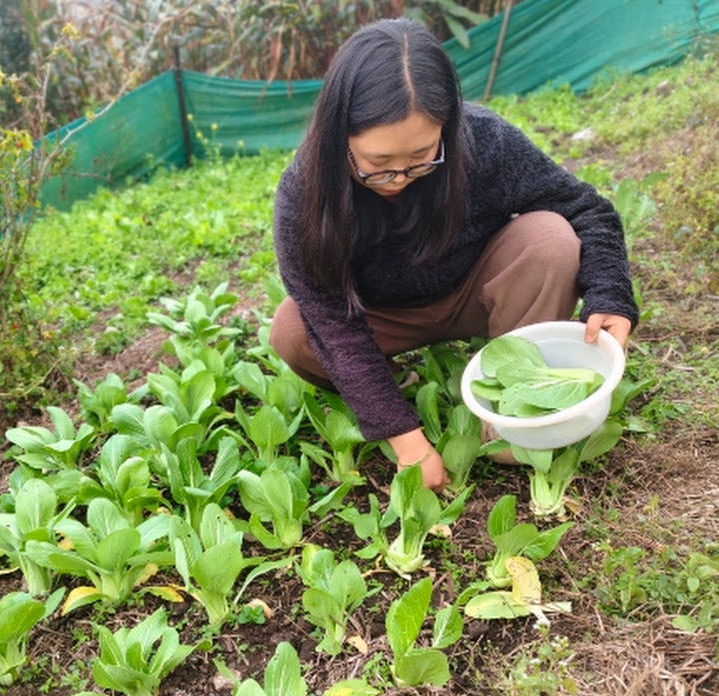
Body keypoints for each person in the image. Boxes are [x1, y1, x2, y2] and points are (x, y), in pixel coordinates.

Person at [269, 17, 638, 493]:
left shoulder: (484, 139)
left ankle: (512, 414)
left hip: (477, 293)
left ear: (447, 123)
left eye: (421, 157)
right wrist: (405, 438)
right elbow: (334, 323)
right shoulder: (305, 192)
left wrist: (611, 294)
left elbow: (585, 206)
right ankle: (394, 387)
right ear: (340, 134)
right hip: (383, 317)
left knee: (551, 238)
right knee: (294, 330)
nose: (400, 177)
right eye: (378, 164)